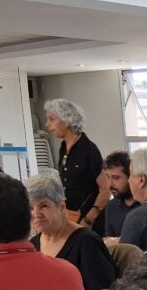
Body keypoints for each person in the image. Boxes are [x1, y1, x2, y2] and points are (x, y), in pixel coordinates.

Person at [26, 173, 120, 290]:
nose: (36, 214)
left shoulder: (86, 242)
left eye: (44, 206)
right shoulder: (33, 245)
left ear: (61, 206)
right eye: (30, 208)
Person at [44, 98, 106, 229]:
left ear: (67, 120)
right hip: (70, 216)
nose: (47, 124)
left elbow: (105, 188)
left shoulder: (89, 150)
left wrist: (89, 219)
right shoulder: (63, 147)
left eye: (51, 119)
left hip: (88, 220)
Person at [101, 151, 138, 239]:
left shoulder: (146, 206)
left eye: (116, 178)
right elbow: (110, 241)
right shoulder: (111, 206)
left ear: (131, 177)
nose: (110, 184)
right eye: (108, 177)